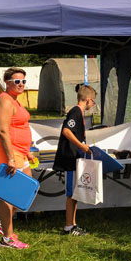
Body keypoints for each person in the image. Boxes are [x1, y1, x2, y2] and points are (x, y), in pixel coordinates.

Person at [0, 67, 35, 249]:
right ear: (7, 83)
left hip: (19, 152)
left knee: (26, 191)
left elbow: (18, 127)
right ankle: (7, 238)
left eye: (23, 81)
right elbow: (2, 130)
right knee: (9, 195)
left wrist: (27, 151)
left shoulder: (14, 100)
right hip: (7, 152)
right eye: (17, 81)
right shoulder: (4, 101)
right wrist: (11, 159)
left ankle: (2, 222)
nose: (21, 84)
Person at [52, 84, 96, 236]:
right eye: (93, 101)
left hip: (75, 158)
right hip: (70, 159)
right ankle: (68, 226)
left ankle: (73, 224)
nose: (93, 104)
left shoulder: (78, 113)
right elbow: (66, 131)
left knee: (75, 193)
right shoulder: (76, 112)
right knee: (71, 194)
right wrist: (81, 146)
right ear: (88, 100)